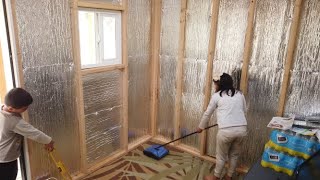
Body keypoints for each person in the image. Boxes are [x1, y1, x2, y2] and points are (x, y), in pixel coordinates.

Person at [197, 73, 247, 180]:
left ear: (220, 85)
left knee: (221, 156)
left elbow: (207, 113)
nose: (215, 86)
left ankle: (215, 177)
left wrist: (201, 127)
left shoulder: (216, 96)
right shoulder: (240, 94)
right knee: (234, 155)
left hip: (226, 132)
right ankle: (229, 176)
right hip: (242, 129)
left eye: (216, 84)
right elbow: (243, 111)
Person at [0, 88, 54, 180]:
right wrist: (49, 141)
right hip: (6, 160)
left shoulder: (2, 108)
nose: (26, 109)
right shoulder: (13, 121)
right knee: (9, 176)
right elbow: (33, 133)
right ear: (11, 108)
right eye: (24, 108)